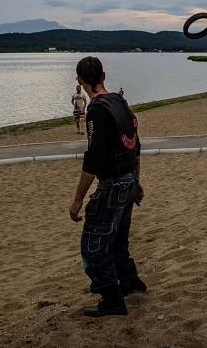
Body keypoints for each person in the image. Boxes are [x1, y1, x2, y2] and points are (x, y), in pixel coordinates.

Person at [69, 56, 146, 317]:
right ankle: (130, 281)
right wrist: (136, 180)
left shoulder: (98, 109)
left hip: (113, 183)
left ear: (80, 80)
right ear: (103, 75)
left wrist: (78, 199)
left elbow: (94, 157)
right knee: (118, 239)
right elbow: (135, 144)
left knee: (93, 245)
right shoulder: (120, 101)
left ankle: (112, 300)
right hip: (126, 180)